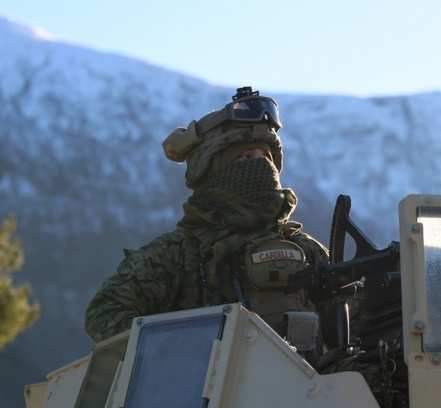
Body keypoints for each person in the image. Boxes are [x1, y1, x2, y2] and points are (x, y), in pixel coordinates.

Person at [85, 87, 330, 359]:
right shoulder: (177, 256)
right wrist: (184, 355)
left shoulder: (306, 251)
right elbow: (105, 315)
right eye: (246, 158)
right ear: (214, 172)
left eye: (265, 158)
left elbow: (356, 320)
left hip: (310, 396)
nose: (260, 168)